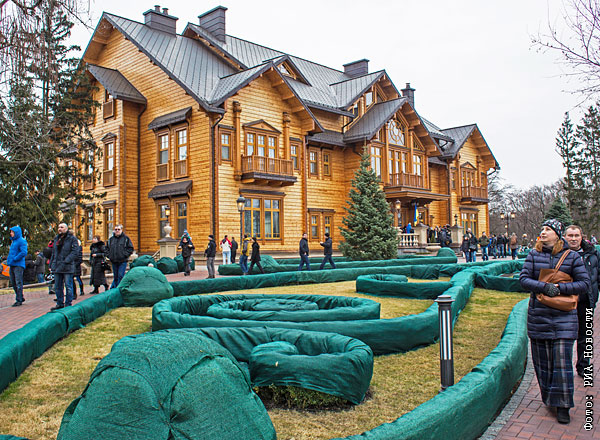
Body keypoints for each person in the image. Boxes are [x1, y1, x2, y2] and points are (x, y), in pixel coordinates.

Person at [520, 219, 590, 424]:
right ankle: (550, 397)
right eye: (542, 229)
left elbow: (584, 283)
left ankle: (563, 406)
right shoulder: (533, 255)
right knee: (543, 363)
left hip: (564, 317)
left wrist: (560, 289)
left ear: (557, 234)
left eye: (548, 229)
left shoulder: (572, 257)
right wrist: (544, 287)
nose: (543, 232)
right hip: (539, 316)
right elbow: (523, 279)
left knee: (562, 362)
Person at [565, 225, 600, 378]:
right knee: (565, 336)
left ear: (581, 237)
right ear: (565, 237)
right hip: (566, 303)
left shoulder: (592, 254)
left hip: (586, 302)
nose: (573, 239)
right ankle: (564, 367)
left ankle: (584, 366)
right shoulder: (560, 254)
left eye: (576, 235)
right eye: (570, 235)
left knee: (585, 336)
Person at [50, 223, 79, 311]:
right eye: (59, 227)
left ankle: (68, 303)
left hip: (67, 266)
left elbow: (75, 252)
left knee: (68, 285)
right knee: (58, 286)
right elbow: (54, 253)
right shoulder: (57, 239)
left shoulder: (72, 239)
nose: (60, 229)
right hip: (57, 266)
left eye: (62, 227)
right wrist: (51, 264)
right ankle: (59, 303)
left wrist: (67, 260)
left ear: (66, 229)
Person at [107, 224, 134, 288]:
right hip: (114, 261)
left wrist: (124, 255)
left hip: (122, 261)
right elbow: (106, 249)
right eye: (116, 229)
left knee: (121, 275)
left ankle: (120, 288)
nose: (117, 231)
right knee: (115, 276)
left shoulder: (126, 239)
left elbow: (130, 249)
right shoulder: (111, 240)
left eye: (118, 229)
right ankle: (115, 289)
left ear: (121, 230)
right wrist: (109, 255)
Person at [7, 225, 28, 307]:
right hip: (12, 264)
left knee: (18, 282)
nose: (11, 233)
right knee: (13, 282)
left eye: (12, 232)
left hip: (18, 264)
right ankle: (20, 297)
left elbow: (24, 252)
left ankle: (19, 299)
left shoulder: (21, 241)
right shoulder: (13, 242)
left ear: (16, 233)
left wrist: (15, 258)